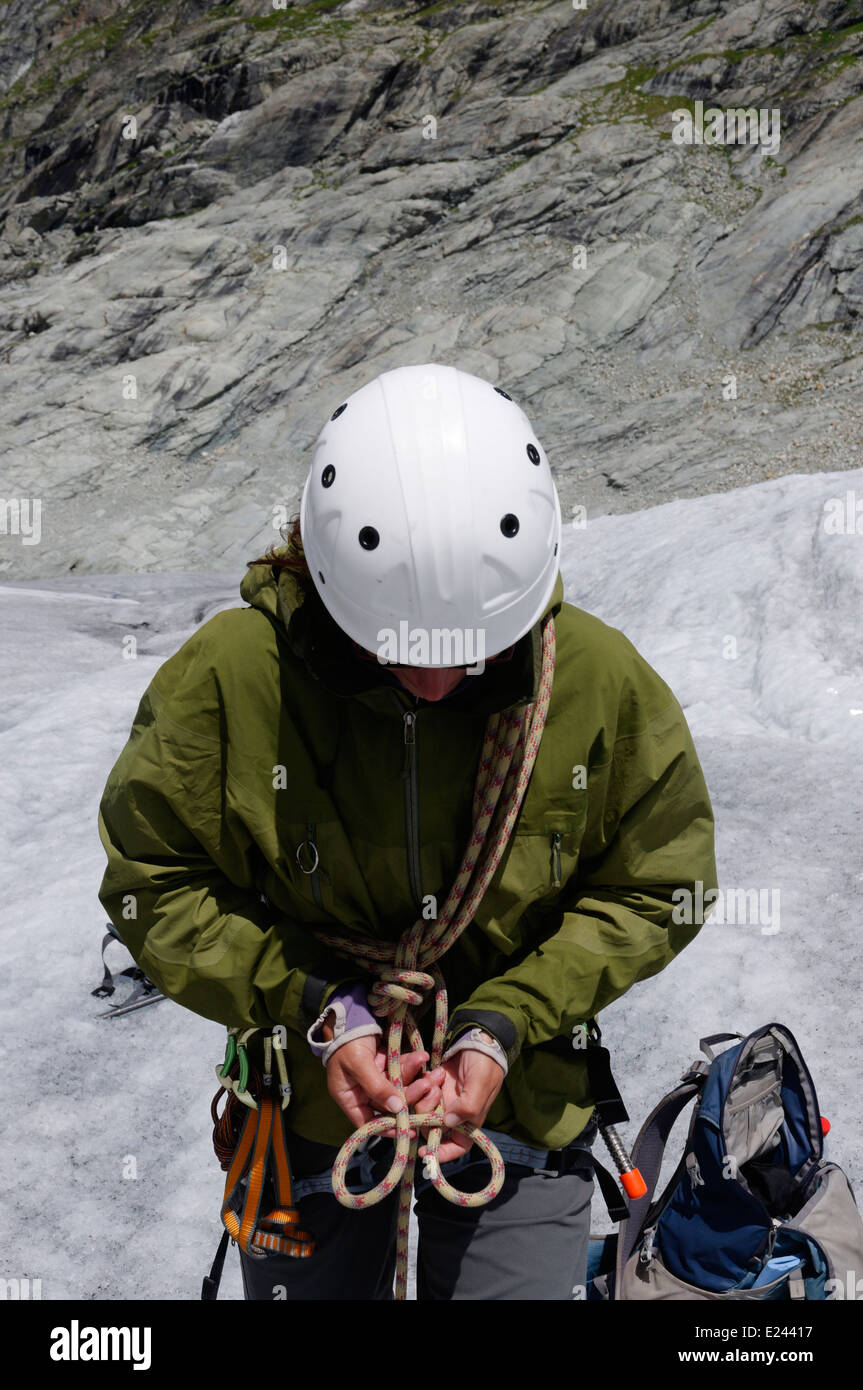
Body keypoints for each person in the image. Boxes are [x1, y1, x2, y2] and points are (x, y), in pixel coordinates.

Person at [97, 362, 718, 1301]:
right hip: (310, 1103)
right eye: (392, 653)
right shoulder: (234, 677)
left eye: (472, 656)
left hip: (523, 1093)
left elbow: (656, 883)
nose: (432, 687)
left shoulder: (595, 682)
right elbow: (158, 879)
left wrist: (506, 1021)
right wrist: (319, 1007)